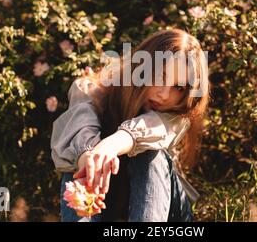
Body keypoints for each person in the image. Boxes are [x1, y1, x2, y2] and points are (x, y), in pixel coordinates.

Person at [50, 28, 210, 221]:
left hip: (168, 213)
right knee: (81, 162)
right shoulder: (97, 90)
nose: (164, 94)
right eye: (161, 76)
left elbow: (150, 128)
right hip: (108, 203)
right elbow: (80, 125)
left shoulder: (178, 116)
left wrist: (110, 146)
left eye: (178, 87)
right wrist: (90, 159)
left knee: (151, 153)